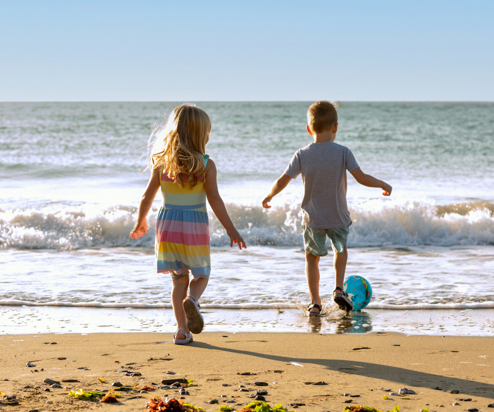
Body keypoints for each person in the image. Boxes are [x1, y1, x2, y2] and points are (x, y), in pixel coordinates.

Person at [262, 101, 391, 316]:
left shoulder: (302, 154)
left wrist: (269, 195)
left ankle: (315, 303)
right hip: (339, 217)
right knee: (340, 251)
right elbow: (361, 177)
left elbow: (283, 180)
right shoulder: (343, 152)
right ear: (335, 127)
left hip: (313, 220)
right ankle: (339, 288)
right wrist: (382, 184)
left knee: (312, 258)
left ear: (309, 129)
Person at [130, 104, 246, 344]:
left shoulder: (162, 164)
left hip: (168, 227)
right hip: (194, 228)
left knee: (177, 280)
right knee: (202, 274)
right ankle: (193, 299)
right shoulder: (205, 165)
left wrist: (140, 221)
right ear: (201, 135)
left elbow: (146, 196)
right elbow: (215, 199)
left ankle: (182, 331)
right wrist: (230, 228)